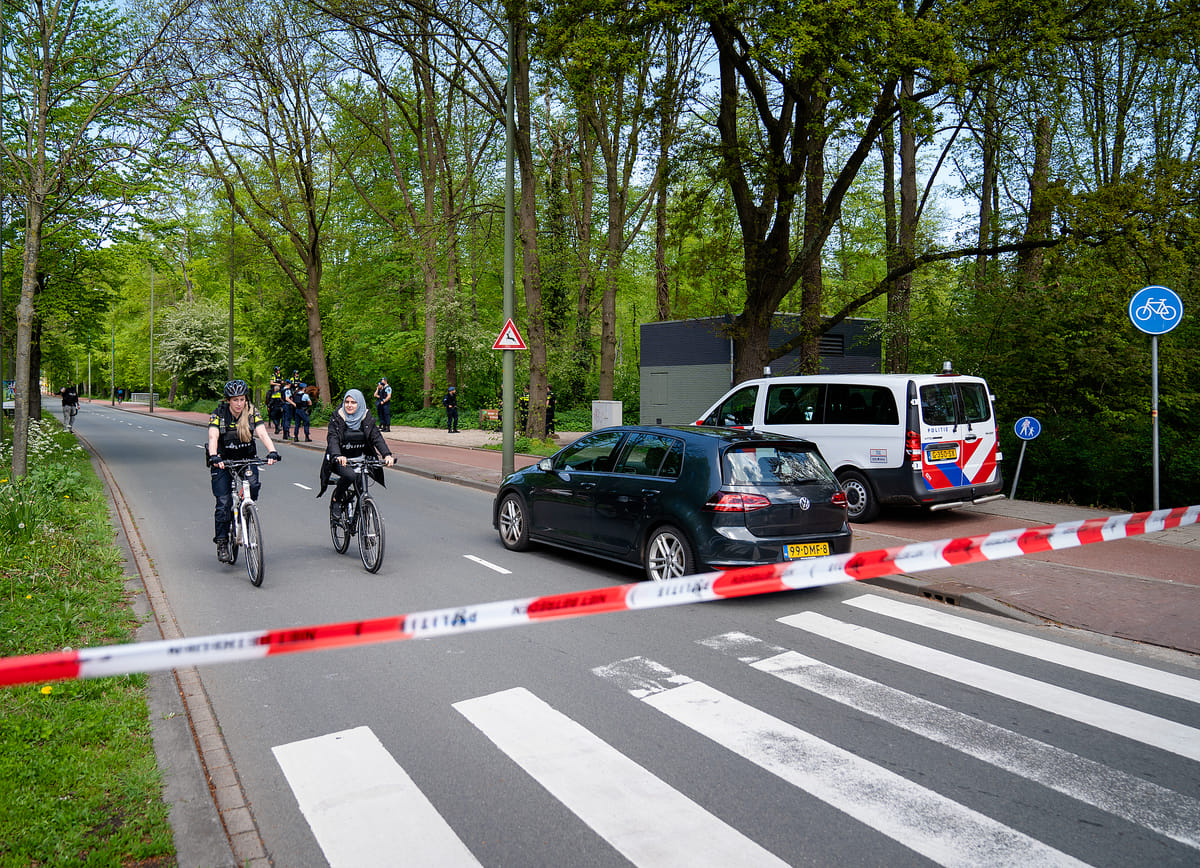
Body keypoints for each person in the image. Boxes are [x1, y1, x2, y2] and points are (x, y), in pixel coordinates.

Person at [206, 379, 281, 563]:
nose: (239, 404)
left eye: (242, 399)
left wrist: (272, 451)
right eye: (235, 400)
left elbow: (262, 433)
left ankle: (245, 506)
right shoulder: (218, 415)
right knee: (223, 503)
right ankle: (223, 542)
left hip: (246, 459)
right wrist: (214, 456)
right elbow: (213, 436)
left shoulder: (252, 413)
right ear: (228, 401)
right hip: (223, 462)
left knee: (253, 484)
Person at [319, 389, 394, 518]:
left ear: (359, 404)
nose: (349, 405)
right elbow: (332, 438)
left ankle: (363, 522)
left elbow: (376, 437)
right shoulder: (337, 418)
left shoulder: (366, 418)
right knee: (350, 476)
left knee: (361, 490)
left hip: (360, 459)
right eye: (347, 402)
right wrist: (337, 455)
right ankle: (337, 499)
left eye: (353, 402)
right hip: (340, 460)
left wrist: (387, 455)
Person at [267, 368, 285, 435]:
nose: (279, 371)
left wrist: (282, 382)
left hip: (280, 388)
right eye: (278, 370)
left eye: (279, 370)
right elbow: (271, 382)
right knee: (270, 394)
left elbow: (282, 381)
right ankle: (269, 402)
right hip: (274, 388)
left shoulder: (280, 375)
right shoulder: (273, 375)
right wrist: (277, 384)